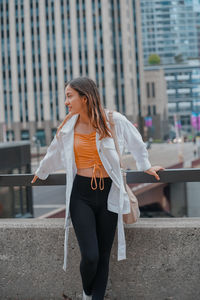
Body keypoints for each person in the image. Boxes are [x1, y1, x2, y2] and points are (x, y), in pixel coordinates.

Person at [31, 77, 164, 300]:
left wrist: (146, 166)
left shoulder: (113, 121)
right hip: (81, 195)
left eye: (69, 96)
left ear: (85, 97)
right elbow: (54, 152)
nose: (66, 102)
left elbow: (137, 143)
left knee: (103, 256)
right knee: (90, 256)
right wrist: (41, 172)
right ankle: (87, 293)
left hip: (108, 194)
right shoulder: (68, 126)